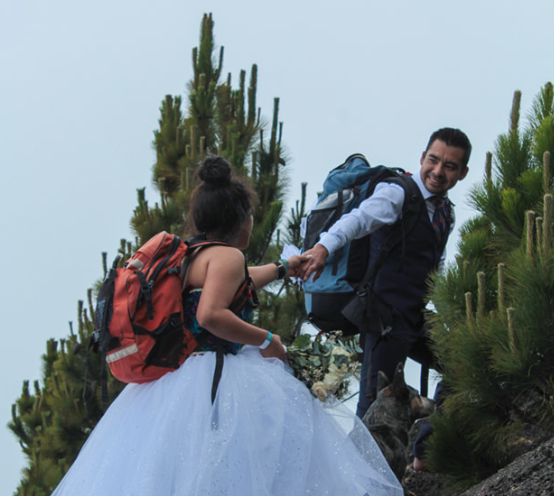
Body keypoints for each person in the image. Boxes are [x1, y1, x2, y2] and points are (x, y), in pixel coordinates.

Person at [51, 156, 403, 496]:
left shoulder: (190, 254)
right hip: (216, 379)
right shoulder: (228, 256)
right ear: (241, 220)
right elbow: (210, 315)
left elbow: (238, 280)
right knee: (240, 462)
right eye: (250, 214)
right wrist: (267, 338)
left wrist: (283, 268)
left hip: (175, 378)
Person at [299, 128, 471, 427]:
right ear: (422, 157)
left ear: (463, 173)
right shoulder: (398, 192)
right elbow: (359, 219)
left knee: (463, 362)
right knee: (374, 410)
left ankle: (427, 449)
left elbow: (436, 263)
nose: (438, 171)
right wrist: (324, 247)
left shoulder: (446, 213)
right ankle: (360, 474)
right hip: (384, 320)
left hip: (416, 317)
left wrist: (446, 311)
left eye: (450, 166)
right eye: (433, 160)